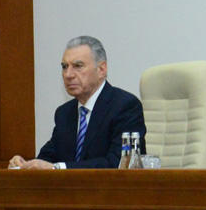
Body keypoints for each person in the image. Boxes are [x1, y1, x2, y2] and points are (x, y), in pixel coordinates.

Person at [9, 35, 146, 169]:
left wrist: (58, 168)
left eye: (78, 66)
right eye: (64, 66)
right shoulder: (64, 113)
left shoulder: (125, 106)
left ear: (101, 69)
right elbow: (48, 157)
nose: (68, 74)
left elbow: (118, 163)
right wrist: (25, 165)